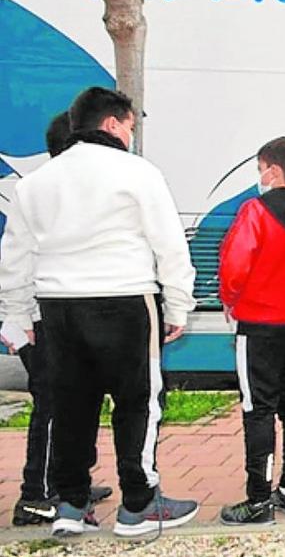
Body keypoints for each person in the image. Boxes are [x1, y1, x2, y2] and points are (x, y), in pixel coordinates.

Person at [0, 87, 199, 537]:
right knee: (138, 403)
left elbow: (14, 257)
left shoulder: (34, 184)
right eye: (130, 125)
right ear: (112, 124)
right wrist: (179, 304)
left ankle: (71, 505)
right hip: (125, 298)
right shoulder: (138, 172)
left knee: (71, 406)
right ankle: (138, 504)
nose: (131, 133)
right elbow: (168, 243)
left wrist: (15, 314)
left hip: (57, 306)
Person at [4, 112, 113, 527]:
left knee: (77, 402)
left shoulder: (65, 189)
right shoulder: (39, 191)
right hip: (40, 317)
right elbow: (15, 261)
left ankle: (70, 485)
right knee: (52, 405)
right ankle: (35, 495)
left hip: (61, 315)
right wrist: (18, 319)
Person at [217, 137, 285, 526]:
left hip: (259, 324)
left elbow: (235, 265)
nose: (258, 176)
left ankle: (258, 500)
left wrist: (229, 298)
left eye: (260, 168)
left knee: (258, 409)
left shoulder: (255, 212)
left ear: (274, 171)